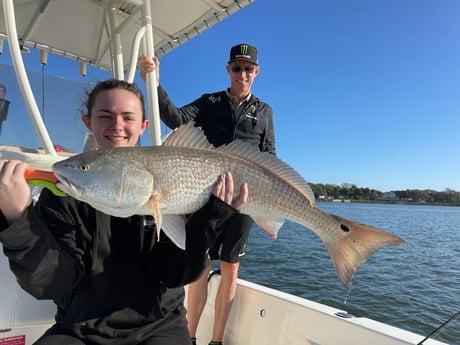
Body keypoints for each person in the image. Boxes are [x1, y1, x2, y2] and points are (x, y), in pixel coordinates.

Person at [0, 79, 249, 345]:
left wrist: (208, 222)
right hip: (80, 328)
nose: (117, 126)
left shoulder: (180, 187)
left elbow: (175, 275)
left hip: (159, 326)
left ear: (144, 126)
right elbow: (52, 284)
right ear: (88, 122)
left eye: (128, 118)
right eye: (105, 116)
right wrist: (18, 219)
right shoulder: (63, 195)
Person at [139, 43, 276, 345]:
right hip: (205, 196)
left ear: (257, 72)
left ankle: (216, 341)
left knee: (231, 266)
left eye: (248, 69)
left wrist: (270, 208)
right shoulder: (209, 102)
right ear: (228, 69)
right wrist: (155, 83)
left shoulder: (264, 111)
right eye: (237, 68)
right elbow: (175, 117)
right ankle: (189, 337)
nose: (243, 74)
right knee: (201, 265)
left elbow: (270, 157)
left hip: (245, 200)